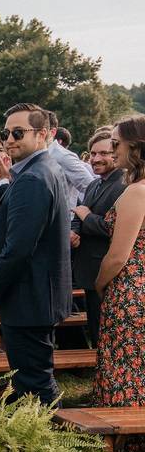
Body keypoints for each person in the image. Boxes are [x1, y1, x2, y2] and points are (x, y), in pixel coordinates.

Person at [0, 104, 72, 406]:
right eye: (5, 133)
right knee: (30, 380)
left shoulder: (34, 177)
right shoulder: (38, 171)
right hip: (35, 295)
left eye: (18, 133)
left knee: (35, 383)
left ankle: (53, 446)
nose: (9, 139)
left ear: (43, 134)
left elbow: (19, 247)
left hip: (30, 297)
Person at [94, 116, 145, 406]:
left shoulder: (136, 192)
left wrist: (100, 283)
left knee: (124, 371)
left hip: (130, 291)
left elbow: (117, 256)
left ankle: (123, 450)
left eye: (116, 143)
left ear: (136, 147)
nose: (112, 150)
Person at [70, 129, 125, 347]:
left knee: (110, 341)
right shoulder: (94, 184)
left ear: (116, 153)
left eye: (103, 153)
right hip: (89, 273)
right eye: (92, 154)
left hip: (110, 275)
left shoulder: (125, 185)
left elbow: (114, 228)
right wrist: (74, 231)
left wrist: (87, 217)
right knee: (97, 334)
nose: (96, 159)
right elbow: (79, 212)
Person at [46, 110, 94, 209]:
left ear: (52, 132)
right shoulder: (33, 154)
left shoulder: (62, 156)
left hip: (62, 222)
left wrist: (87, 215)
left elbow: (90, 187)